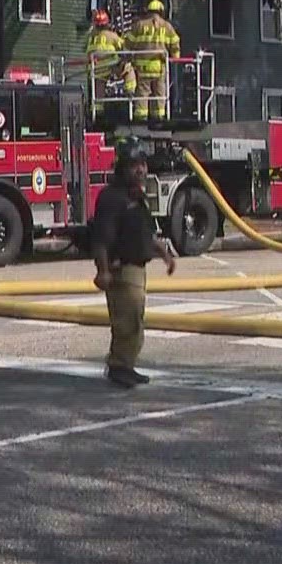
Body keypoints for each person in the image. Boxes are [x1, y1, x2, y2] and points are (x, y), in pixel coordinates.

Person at [90, 142, 177, 388]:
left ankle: (125, 365)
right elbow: (102, 238)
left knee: (135, 321)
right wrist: (103, 270)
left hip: (137, 269)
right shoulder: (112, 198)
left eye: (143, 164)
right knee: (127, 322)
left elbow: (144, 234)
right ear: (123, 168)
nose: (140, 170)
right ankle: (119, 367)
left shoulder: (135, 197)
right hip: (122, 269)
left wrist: (165, 255)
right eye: (134, 165)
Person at [124, 0, 181, 123]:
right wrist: (175, 57)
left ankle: (141, 117)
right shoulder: (167, 26)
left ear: (148, 11)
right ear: (161, 11)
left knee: (143, 93)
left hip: (142, 68)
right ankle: (159, 117)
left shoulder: (139, 25)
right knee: (159, 93)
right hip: (159, 67)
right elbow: (175, 43)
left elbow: (128, 43)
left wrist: (126, 58)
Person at [86, 9, 133, 126]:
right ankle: (130, 92)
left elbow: (87, 52)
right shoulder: (112, 36)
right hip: (110, 66)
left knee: (98, 91)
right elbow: (124, 48)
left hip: (95, 70)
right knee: (129, 69)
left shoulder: (91, 38)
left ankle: (97, 112)